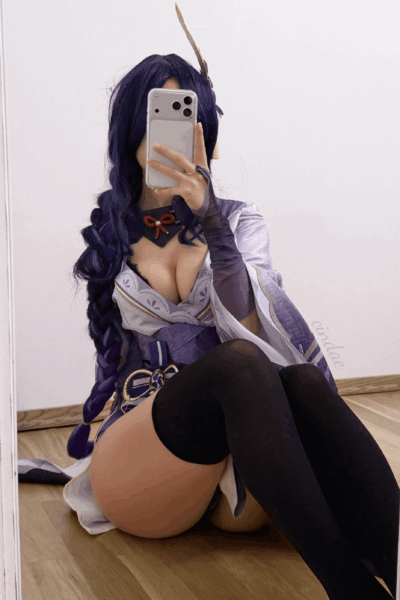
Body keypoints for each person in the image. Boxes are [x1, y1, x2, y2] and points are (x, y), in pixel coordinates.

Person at [19, 53, 398, 600]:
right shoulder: (110, 234)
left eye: (181, 120)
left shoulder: (239, 220)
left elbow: (256, 340)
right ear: (129, 131)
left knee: (297, 378)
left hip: (231, 469)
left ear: (204, 133)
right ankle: (354, 590)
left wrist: (215, 225)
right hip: (144, 458)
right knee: (237, 365)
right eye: (154, 119)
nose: (166, 138)